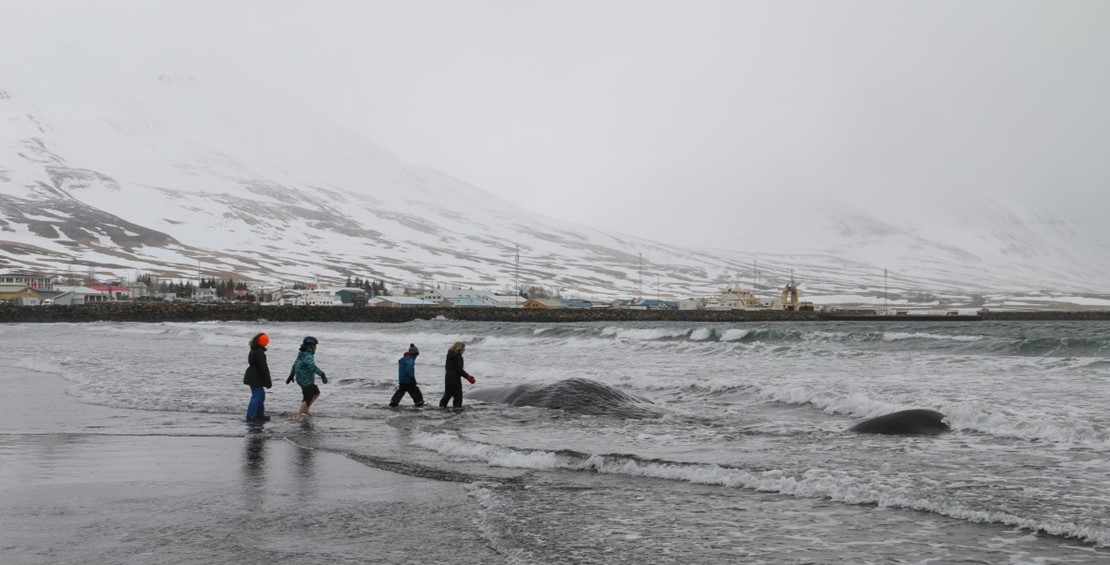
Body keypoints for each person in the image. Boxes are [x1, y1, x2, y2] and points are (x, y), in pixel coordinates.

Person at [286, 336, 327, 420]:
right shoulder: (308, 356)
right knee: (309, 396)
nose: (316, 348)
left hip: (302, 379)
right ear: (310, 346)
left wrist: (291, 375)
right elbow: (312, 366)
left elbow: (295, 364)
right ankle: (299, 415)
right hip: (305, 380)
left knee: (316, 392)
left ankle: (306, 410)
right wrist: (322, 374)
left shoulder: (302, 353)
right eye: (315, 346)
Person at [243, 333, 272, 422]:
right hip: (255, 377)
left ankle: (259, 415)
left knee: (260, 395)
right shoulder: (259, 352)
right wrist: (268, 381)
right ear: (262, 342)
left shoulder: (254, 350)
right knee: (257, 396)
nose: (267, 343)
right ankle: (250, 416)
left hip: (252, 375)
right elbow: (263, 367)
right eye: (266, 341)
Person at [439, 341, 475, 409]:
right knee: (458, 397)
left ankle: (441, 408)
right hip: (455, 380)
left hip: (447, 378)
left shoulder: (449, 356)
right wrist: (468, 377)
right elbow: (459, 370)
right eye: (463, 349)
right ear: (460, 349)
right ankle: (457, 412)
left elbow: (447, 368)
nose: (464, 351)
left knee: (447, 395)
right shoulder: (459, 357)